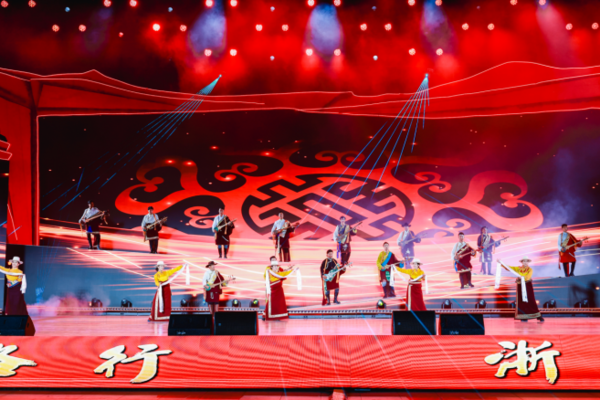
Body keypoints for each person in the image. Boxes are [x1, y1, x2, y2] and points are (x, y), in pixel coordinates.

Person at [498, 257, 544, 322]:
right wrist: (501, 263)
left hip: (527, 285)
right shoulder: (518, 268)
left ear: (528, 262)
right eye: (524, 261)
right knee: (521, 301)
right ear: (522, 262)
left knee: (530, 300)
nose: (525, 262)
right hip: (520, 285)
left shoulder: (530, 269)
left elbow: (528, 277)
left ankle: (538, 316)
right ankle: (523, 316)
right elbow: (510, 268)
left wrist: (522, 278)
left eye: (526, 261)